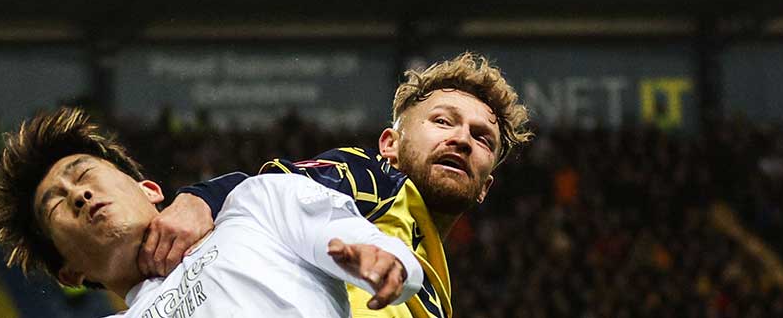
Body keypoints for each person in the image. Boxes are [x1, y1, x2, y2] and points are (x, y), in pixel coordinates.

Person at [141, 52, 533, 318]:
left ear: (486, 186)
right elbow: (274, 192)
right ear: (389, 146)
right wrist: (202, 198)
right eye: (443, 122)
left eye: (483, 138)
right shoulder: (375, 180)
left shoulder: (436, 297)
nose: (463, 140)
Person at [0, 108, 424, 317]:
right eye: (55, 203)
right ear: (69, 273)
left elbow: (378, 251)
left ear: (149, 189)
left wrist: (388, 263)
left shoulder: (257, 206)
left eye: (83, 174)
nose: (78, 195)